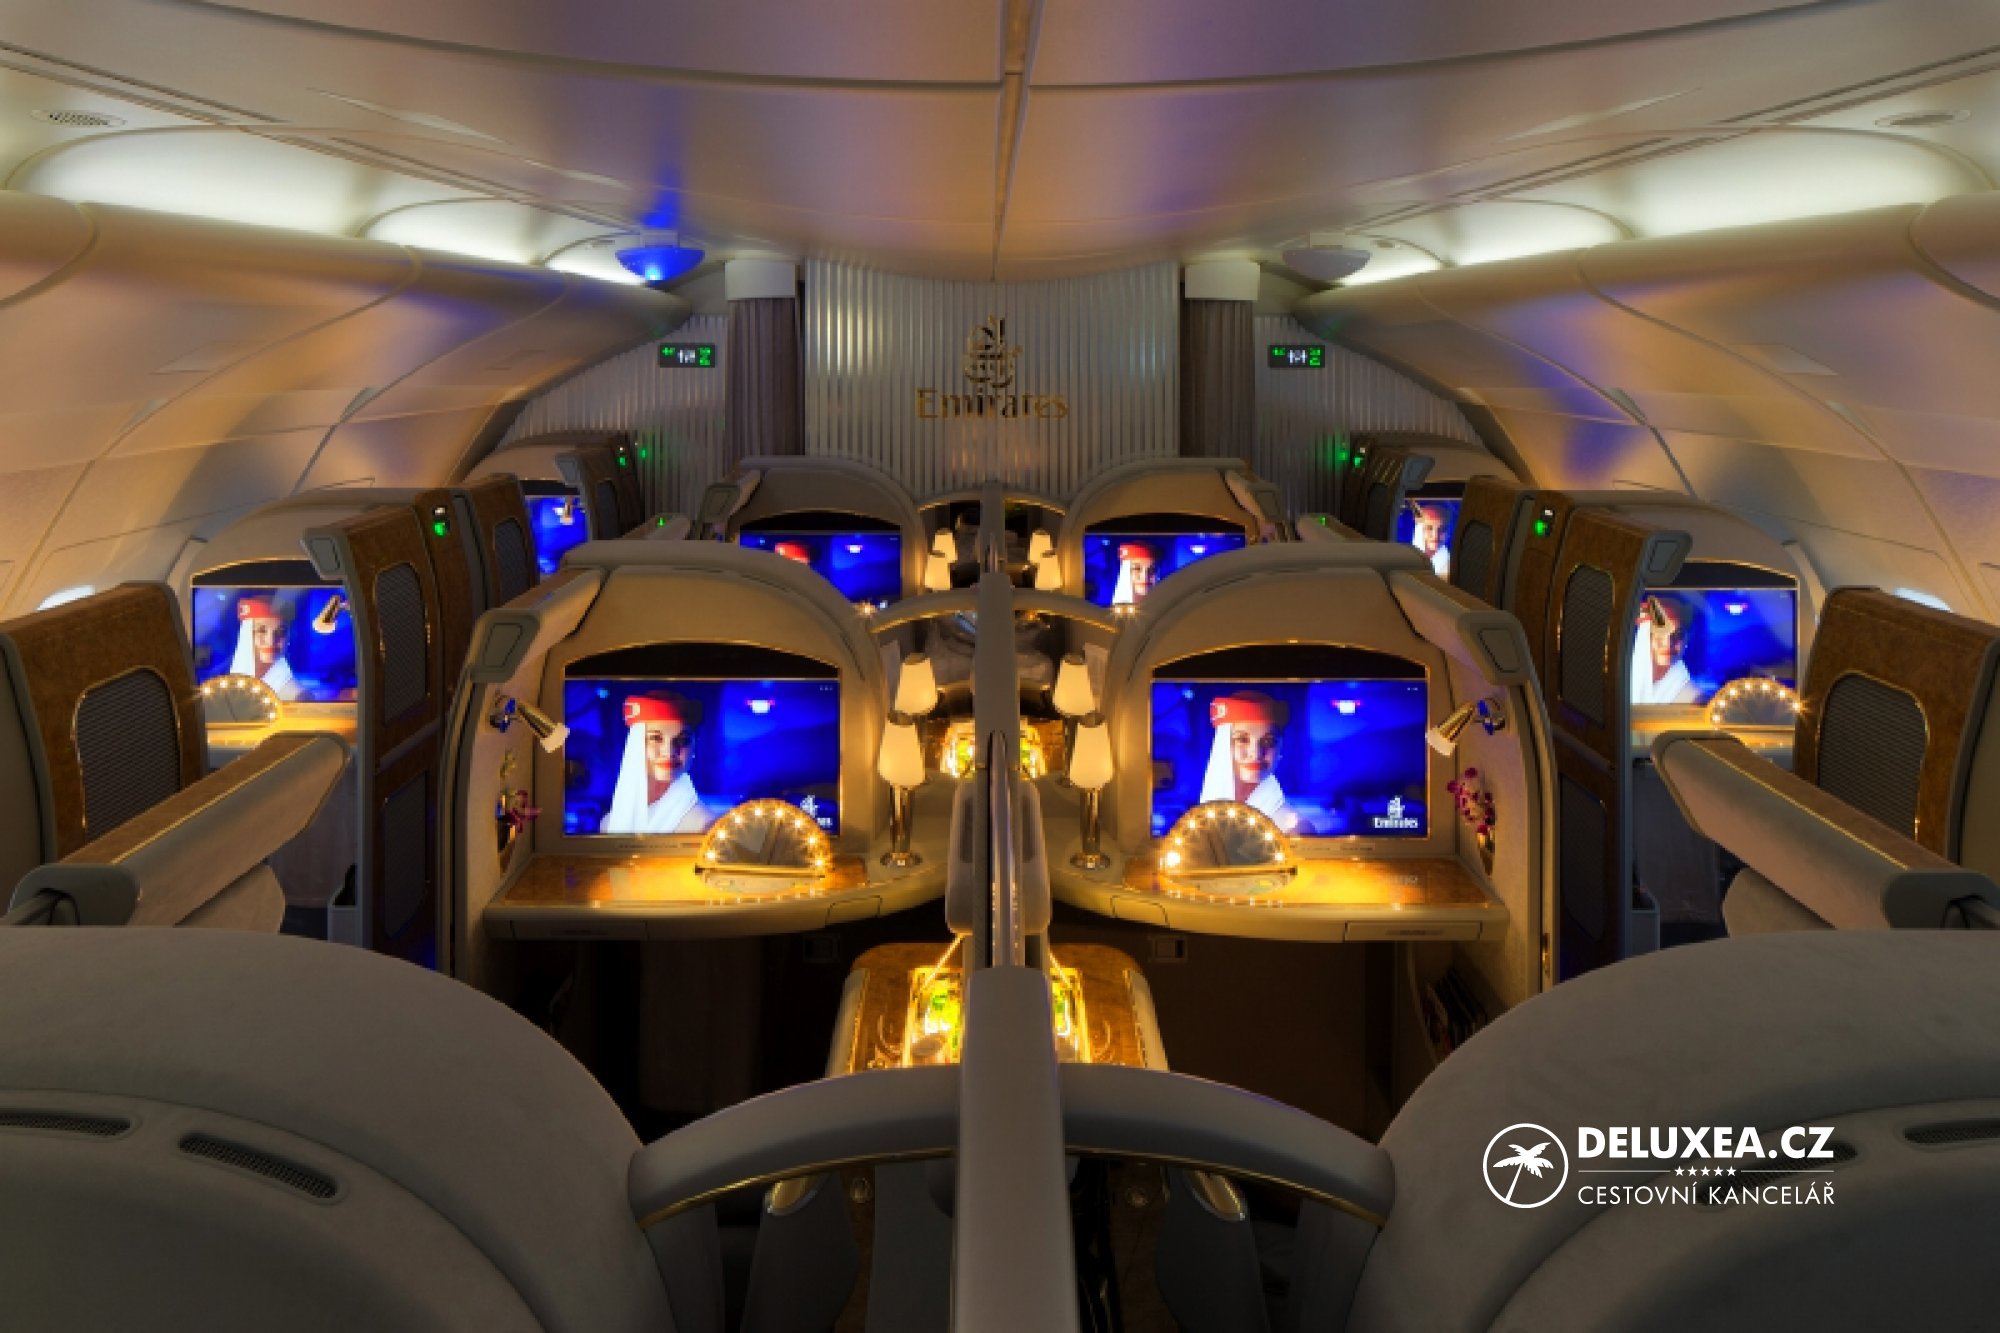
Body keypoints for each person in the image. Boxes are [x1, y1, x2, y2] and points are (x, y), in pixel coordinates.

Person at [600, 691, 721, 834]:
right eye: (656, 738)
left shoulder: (705, 825)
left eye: (682, 740)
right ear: (634, 745)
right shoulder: (609, 823)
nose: (669, 751)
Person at [1197, 690, 1304, 833]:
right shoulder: (1203, 817)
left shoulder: (1296, 829)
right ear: (1222, 747)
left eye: (1269, 741)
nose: (1256, 753)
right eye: (1242, 739)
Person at [229, 594, 300, 701]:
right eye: (261, 631)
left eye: (280, 632)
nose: (271, 641)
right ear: (246, 636)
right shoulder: (229, 682)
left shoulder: (298, 696)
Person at [1631, 594, 1699, 705]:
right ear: (1645, 636)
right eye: (1660, 632)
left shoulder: (1693, 698)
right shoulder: (1622, 681)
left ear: (1687, 639)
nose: (1668, 643)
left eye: (1678, 634)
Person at [1408, 502, 1452, 578]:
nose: (1435, 535)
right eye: (1429, 528)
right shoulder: (1403, 556)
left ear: (1448, 532)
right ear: (1418, 528)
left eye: (1442, 529)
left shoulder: (1451, 565)